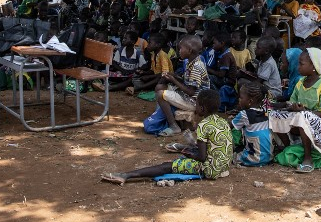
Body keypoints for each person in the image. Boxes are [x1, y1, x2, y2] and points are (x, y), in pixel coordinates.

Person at [101, 90, 232, 183]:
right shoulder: (223, 122)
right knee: (189, 151)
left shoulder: (203, 125)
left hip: (210, 170)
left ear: (202, 109)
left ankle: (126, 175)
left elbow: (202, 158)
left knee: (167, 166)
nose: (195, 106)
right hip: (224, 167)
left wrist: (188, 154)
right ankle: (126, 175)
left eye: (196, 104)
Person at [268, 47, 321, 172]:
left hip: (319, 122)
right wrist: (290, 107)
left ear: (313, 66)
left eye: (301, 64)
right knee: (273, 115)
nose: (298, 67)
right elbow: (291, 102)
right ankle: (288, 147)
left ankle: (308, 158)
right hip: (300, 116)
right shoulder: (300, 83)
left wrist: (304, 111)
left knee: (302, 117)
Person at [154, 35, 210, 137]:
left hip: (194, 102)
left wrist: (173, 80)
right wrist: (173, 76)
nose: (179, 51)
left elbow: (191, 92)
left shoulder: (196, 66)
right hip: (190, 97)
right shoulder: (192, 62)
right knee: (159, 87)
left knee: (160, 94)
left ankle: (173, 126)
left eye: (181, 49)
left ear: (189, 50)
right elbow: (187, 82)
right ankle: (160, 117)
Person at [232, 82, 274, 166]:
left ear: (250, 101)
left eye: (241, 97)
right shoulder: (267, 111)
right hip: (269, 157)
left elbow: (229, 126)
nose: (239, 100)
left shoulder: (244, 114)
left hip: (253, 159)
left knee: (233, 155)